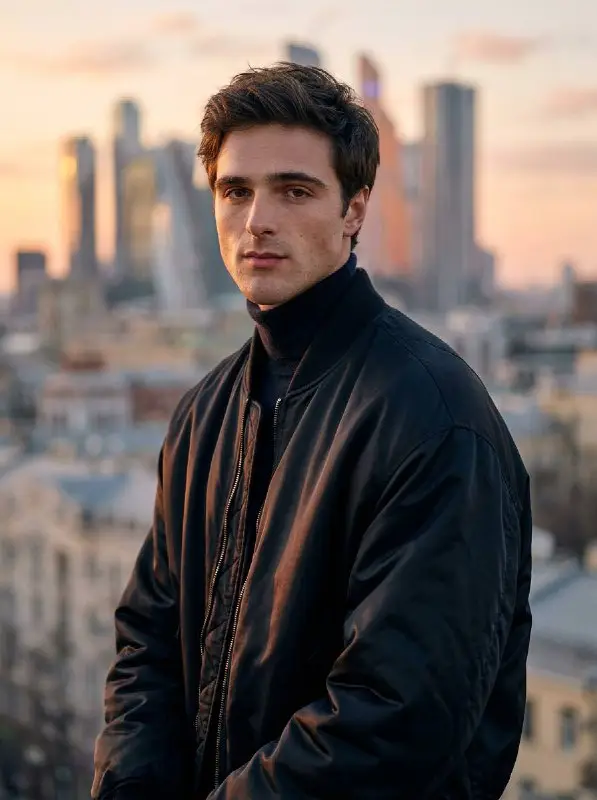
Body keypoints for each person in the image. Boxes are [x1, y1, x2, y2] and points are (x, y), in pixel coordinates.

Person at [92, 63, 532, 800]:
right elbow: (146, 644)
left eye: (294, 191)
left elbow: (394, 720)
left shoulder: (432, 416)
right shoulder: (204, 412)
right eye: (235, 191)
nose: (256, 220)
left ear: (354, 210)